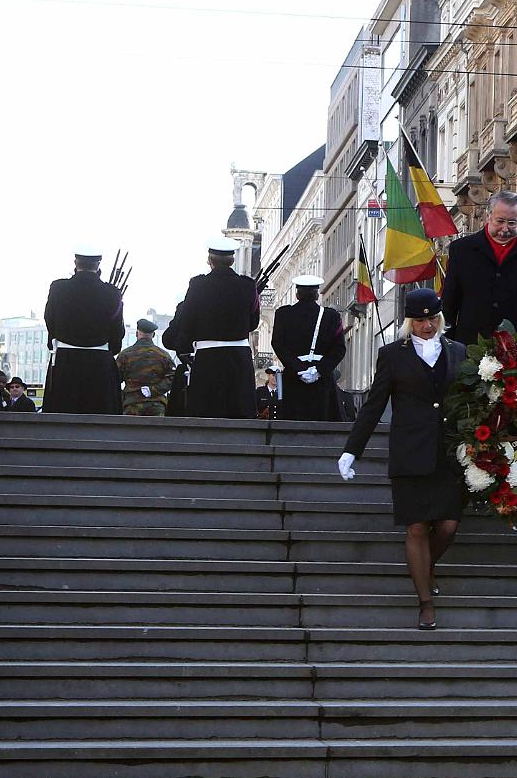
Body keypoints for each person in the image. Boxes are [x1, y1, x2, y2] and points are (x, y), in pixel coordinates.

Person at [338, 287, 468, 630]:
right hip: (410, 452)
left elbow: (471, 399)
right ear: (410, 321)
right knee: (416, 527)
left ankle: (424, 568)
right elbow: (375, 404)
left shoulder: (458, 351)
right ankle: (425, 602)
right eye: (421, 320)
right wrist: (353, 449)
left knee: (448, 525)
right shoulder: (393, 354)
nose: (427, 325)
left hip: (449, 452)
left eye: (432, 319)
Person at [441, 189, 517, 345]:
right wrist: (447, 347)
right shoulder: (462, 250)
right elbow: (449, 303)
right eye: (500, 221)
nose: (505, 229)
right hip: (470, 348)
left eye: (512, 223)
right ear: (488, 216)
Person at [165, 237, 259, 418]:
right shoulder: (248, 286)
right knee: (239, 408)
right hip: (239, 358)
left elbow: (187, 321)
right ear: (232, 260)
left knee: (207, 408)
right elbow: (253, 323)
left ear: (210, 261)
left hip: (208, 358)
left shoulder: (198, 285)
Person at [41, 247, 124, 415]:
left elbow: (50, 319)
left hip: (65, 361)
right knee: (99, 415)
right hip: (99, 362)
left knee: (62, 413)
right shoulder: (112, 293)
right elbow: (117, 330)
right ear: (98, 264)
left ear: (75, 263)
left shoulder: (58, 288)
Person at [271, 274, 348, 422]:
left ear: (297, 294)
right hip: (322, 379)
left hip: (294, 378)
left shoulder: (283, 314)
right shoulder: (331, 316)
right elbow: (339, 348)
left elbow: (278, 344)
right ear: (316, 294)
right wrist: (319, 370)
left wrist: (298, 368)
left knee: (293, 422)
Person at [115, 319, 175, 417]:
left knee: (130, 431)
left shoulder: (125, 355)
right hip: (156, 404)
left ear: (136, 334)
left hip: (132, 404)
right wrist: (154, 390)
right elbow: (173, 377)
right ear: (154, 335)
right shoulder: (163, 355)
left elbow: (115, 378)